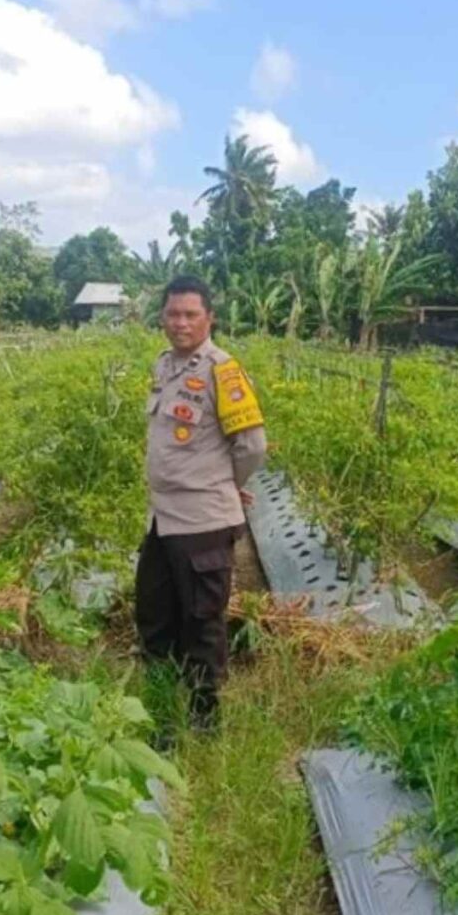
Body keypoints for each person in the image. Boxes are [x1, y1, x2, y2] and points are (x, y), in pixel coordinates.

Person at [135, 274, 267, 730]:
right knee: (154, 614)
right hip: (163, 520)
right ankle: (160, 709)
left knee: (201, 623)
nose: (181, 323)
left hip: (202, 522)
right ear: (162, 318)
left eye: (191, 314)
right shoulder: (165, 366)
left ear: (209, 318)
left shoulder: (223, 371)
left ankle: (203, 720)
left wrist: (223, 483)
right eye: (173, 313)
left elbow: (251, 446)